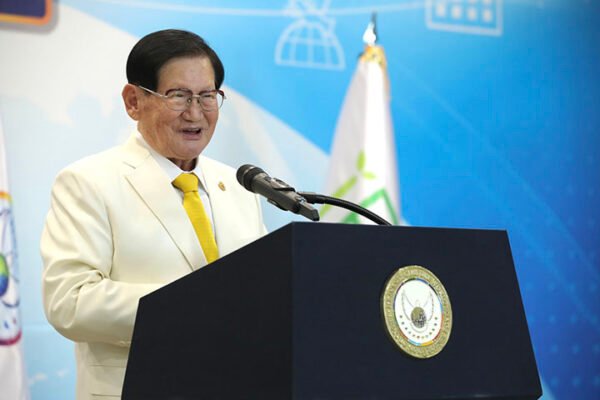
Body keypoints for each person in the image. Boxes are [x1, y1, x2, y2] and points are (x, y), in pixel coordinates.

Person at [40, 29, 267, 399]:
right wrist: (197, 305)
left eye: (207, 96)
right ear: (134, 101)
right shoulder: (88, 182)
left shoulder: (240, 185)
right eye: (178, 96)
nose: (195, 113)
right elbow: (71, 302)